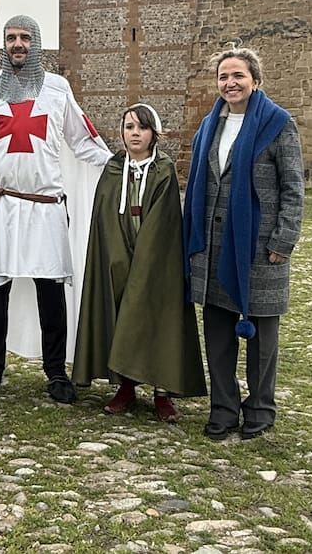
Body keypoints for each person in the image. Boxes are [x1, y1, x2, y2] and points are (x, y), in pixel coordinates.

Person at [0, 15, 110, 404]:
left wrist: (120, 162)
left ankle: (56, 372)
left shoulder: (57, 89)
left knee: (50, 288)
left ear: (35, 43)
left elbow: (82, 139)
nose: (17, 44)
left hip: (44, 206)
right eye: (11, 37)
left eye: (24, 37)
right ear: (3, 44)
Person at [182, 47, 304, 440]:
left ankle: (260, 409)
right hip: (214, 246)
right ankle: (223, 408)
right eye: (223, 77)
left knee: (262, 340)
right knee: (217, 335)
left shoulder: (277, 124)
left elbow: (293, 188)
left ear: (255, 80)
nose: (230, 83)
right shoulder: (208, 127)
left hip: (259, 247)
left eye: (237, 76)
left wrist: (283, 241)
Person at [73, 104, 206, 421]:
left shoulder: (164, 169)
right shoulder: (113, 169)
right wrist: (117, 255)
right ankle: (125, 386)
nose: (135, 133)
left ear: (153, 134)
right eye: (129, 127)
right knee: (120, 314)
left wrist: (145, 260)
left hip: (156, 259)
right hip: (118, 255)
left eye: (142, 128)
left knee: (159, 318)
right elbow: (104, 217)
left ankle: (162, 392)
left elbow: (165, 220)